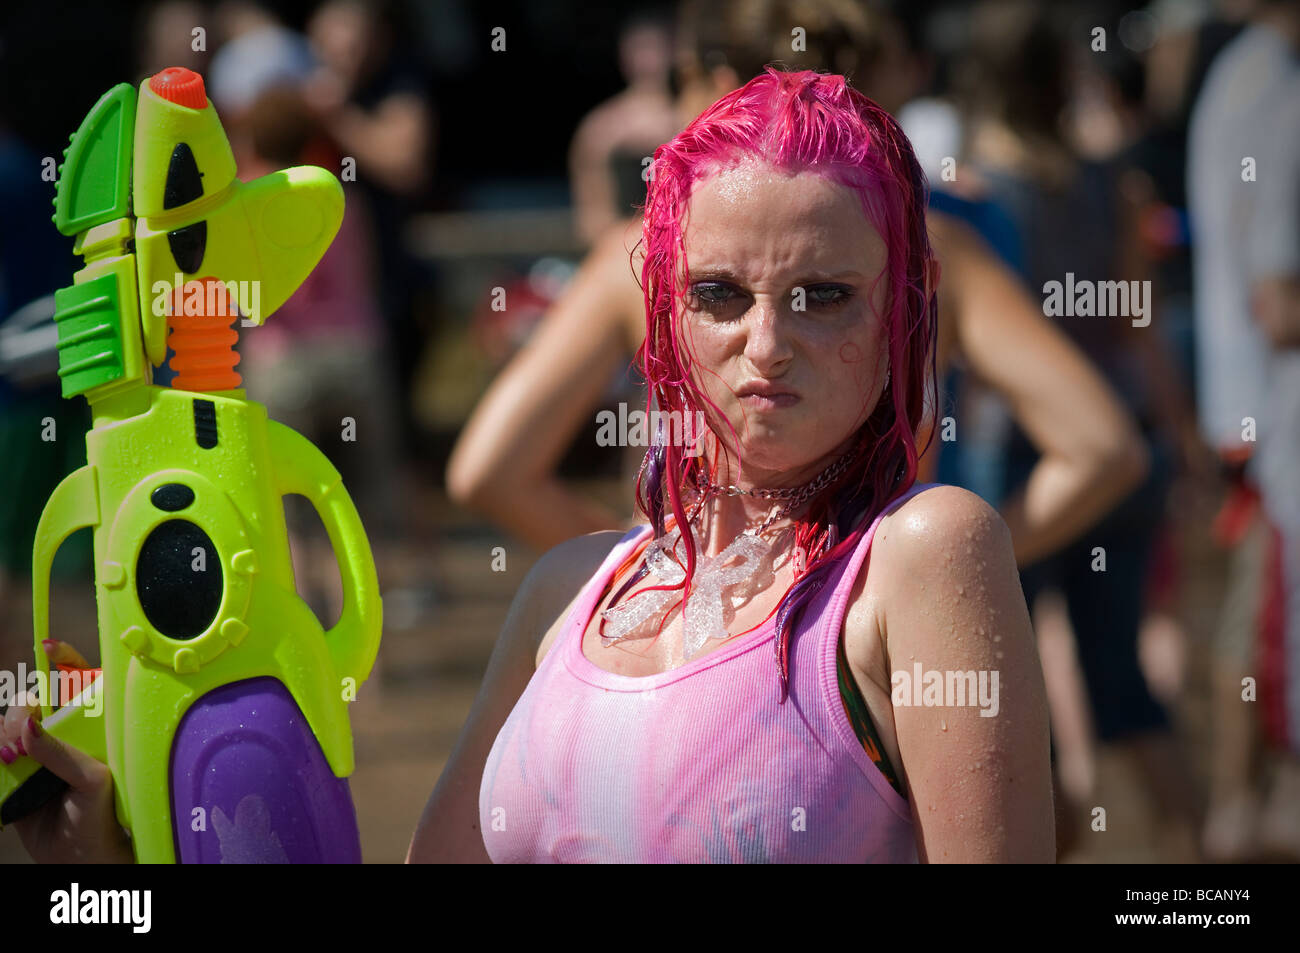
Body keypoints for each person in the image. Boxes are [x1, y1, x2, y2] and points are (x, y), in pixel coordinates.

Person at [2, 68, 1053, 863]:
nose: (766, 344)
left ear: (900, 311)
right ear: (665, 318)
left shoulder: (921, 555)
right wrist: (117, 850)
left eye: (824, 294)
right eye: (720, 295)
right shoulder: (567, 589)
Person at [447, 0, 1148, 567]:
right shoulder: (935, 249)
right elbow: (1101, 446)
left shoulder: (643, 246)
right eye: (720, 296)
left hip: (695, 644)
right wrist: (946, 567)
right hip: (863, 630)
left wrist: (651, 574)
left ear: (719, 88)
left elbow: (488, 469)